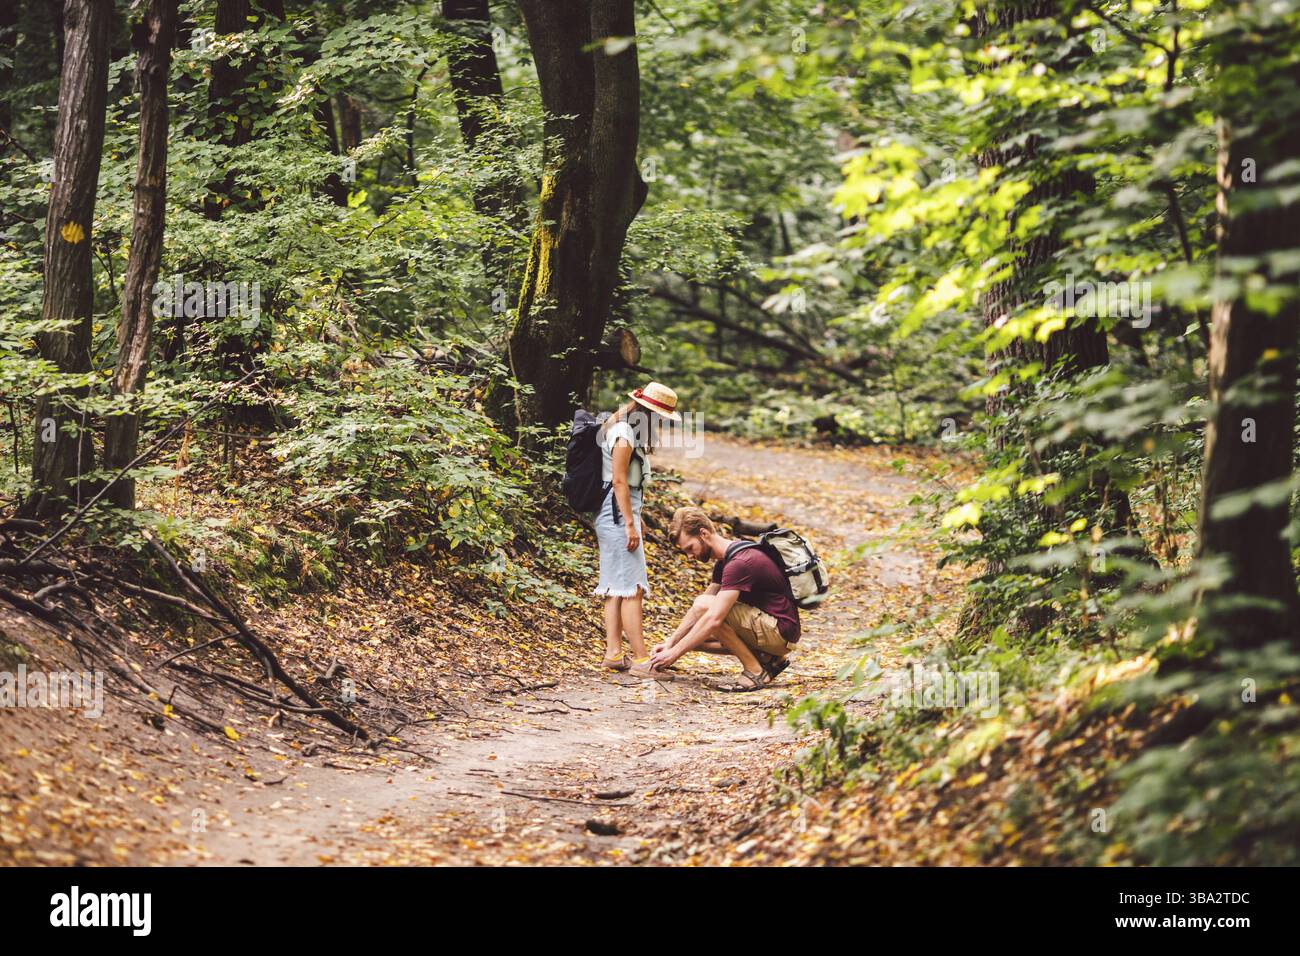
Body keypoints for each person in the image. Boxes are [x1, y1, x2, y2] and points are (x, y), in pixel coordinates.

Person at [647, 507, 799, 691]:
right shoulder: (726, 559)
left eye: (690, 548)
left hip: (779, 632)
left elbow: (712, 616)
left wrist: (673, 655)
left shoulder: (739, 562)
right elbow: (699, 608)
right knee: (694, 635)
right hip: (771, 631)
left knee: (707, 612)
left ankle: (754, 670)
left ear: (703, 533)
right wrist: (670, 644)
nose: (689, 555)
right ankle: (769, 659)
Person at [591, 382, 682, 678]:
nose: (661, 423)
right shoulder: (624, 433)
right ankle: (642, 661)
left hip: (616, 512)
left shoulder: (624, 429)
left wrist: (635, 515)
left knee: (615, 587)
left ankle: (614, 654)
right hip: (616, 515)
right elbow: (618, 481)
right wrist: (629, 522)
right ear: (649, 412)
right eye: (660, 417)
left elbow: (623, 485)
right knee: (632, 588)